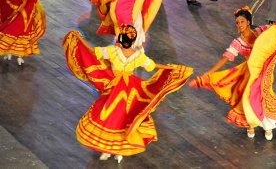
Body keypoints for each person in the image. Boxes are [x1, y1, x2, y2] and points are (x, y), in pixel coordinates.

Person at [63, 25, 193, 163]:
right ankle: (119, 152)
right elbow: (153, 66)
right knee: (124, 117)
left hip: (114, 86)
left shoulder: (113, 51)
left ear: (120, 38)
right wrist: (171, 67)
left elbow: (92, 52)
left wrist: (79, 39)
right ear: (133, 40)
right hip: (131, 88)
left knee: (110, 116)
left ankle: (107, 150)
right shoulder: (138, 56)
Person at [190, 2, 276, 140]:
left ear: (248, 22)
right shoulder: (238, 42)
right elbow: (226, 58)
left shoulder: (261, 31)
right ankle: (251, 124)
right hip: (249, 73)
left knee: (264, 96)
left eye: (242, 21)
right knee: (249, 98)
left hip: (265, 70)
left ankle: (268, 126)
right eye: (237, 22)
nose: (239, 25)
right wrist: (210, 72)